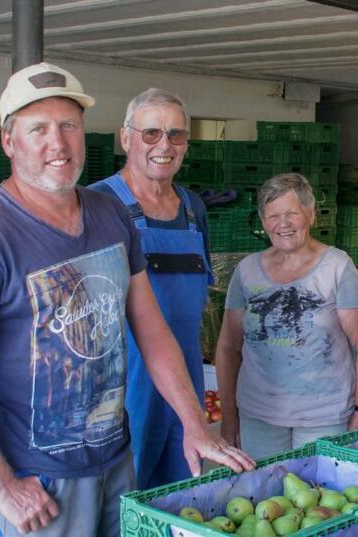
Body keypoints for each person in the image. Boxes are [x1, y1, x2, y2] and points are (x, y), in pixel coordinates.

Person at [0, 62, 254, 537]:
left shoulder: (109, 215)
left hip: (116, 460)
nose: (58, 144)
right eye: (38, 129)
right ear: (9, 141)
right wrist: (2, 485)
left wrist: (195, 424)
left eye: (69, 126)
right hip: (39, 479)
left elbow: (153, 332)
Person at [87, 89, 215, 489]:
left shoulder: (194, 209)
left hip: (185, 378)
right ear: (126, 138)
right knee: (122, 493)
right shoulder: (97, 204)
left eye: (176, 134)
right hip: (123, 384)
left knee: (180, 492)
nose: (164, 145)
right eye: (151, 133)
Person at [213, 173, 358, 460]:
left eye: (292, 214)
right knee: (264, 488)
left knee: (319, 487)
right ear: (263, 222)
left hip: (324, 416)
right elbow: (228, 346)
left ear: (311, 215)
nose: (283, 224)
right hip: (258, 415)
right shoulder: (247, 271)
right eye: (273, 216)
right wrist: (229, 415)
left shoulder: (337, 267)